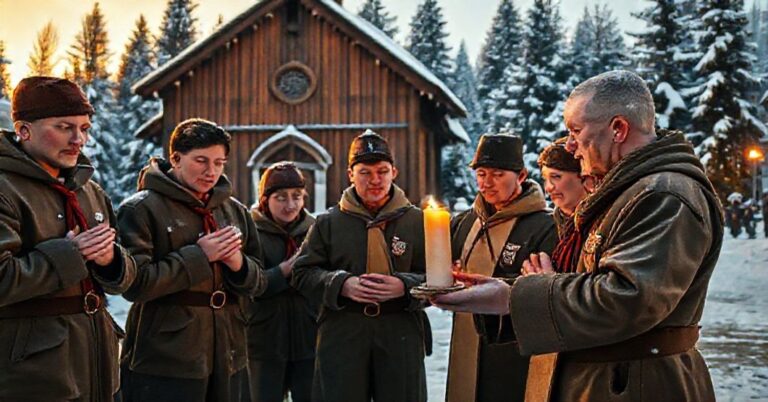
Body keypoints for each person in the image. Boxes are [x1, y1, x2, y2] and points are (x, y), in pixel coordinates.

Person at [433, 70, 724, 401]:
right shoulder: (622, 192)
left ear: (618, 129)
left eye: (575, 131)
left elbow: (627, 298)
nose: (570, 146)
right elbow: (583, 280)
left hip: (638, 384)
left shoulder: (665, 194)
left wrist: (523, 296)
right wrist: (506, 293)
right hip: (607, 381)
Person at [0, 76, 136, 401]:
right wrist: (71, 255)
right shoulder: (5, 190)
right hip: (35, 378)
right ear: (23, 130)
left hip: (99, 367)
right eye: (64, 127)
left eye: (85, 128)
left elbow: (124, 278)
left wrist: (112, 261)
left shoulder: (90, 191)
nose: (79, 139)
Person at [117, 118, 267, 402]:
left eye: (219, 162)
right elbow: (135, 284)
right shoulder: (141, 209)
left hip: (229, 351)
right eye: (201, 160)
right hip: (167, 357)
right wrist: (199, 257)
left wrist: (238, 264)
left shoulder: (235, 211)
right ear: (175, 158)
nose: (211, 171)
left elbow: (259, 282)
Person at [292, 130, 429, 402]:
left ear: (394, 172)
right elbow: (302, 274)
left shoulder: (418, 221)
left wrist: (405, 286)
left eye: (382, 171)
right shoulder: (328, 223)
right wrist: (341, 284)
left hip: (399, 331)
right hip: (343, 332)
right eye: (365, 172)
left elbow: (438, 278)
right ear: (350, 175)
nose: (375, 180)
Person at [446, 133, 556, 402]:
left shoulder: (543, 226)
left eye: (497, 174)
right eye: (481, 174)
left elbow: (542, 287)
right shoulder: (464, 223)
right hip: (465, 339)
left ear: (521, 175)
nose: (486, 183)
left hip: (512, 346)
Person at [245, 161, 317, 402]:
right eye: (281, 197)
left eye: (297, 196)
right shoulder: (249, 232)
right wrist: (283, 271)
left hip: (308, 337)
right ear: (266, 200)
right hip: (264, 339)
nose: (291, 205)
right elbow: (247, 284)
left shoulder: (315, 231)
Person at [522, 137, 591, 275]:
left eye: (556, 177)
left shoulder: (601, 225)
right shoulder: (545, 228)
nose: (548, 187)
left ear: (583, 176)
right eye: (545, 179)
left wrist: (549, 284)